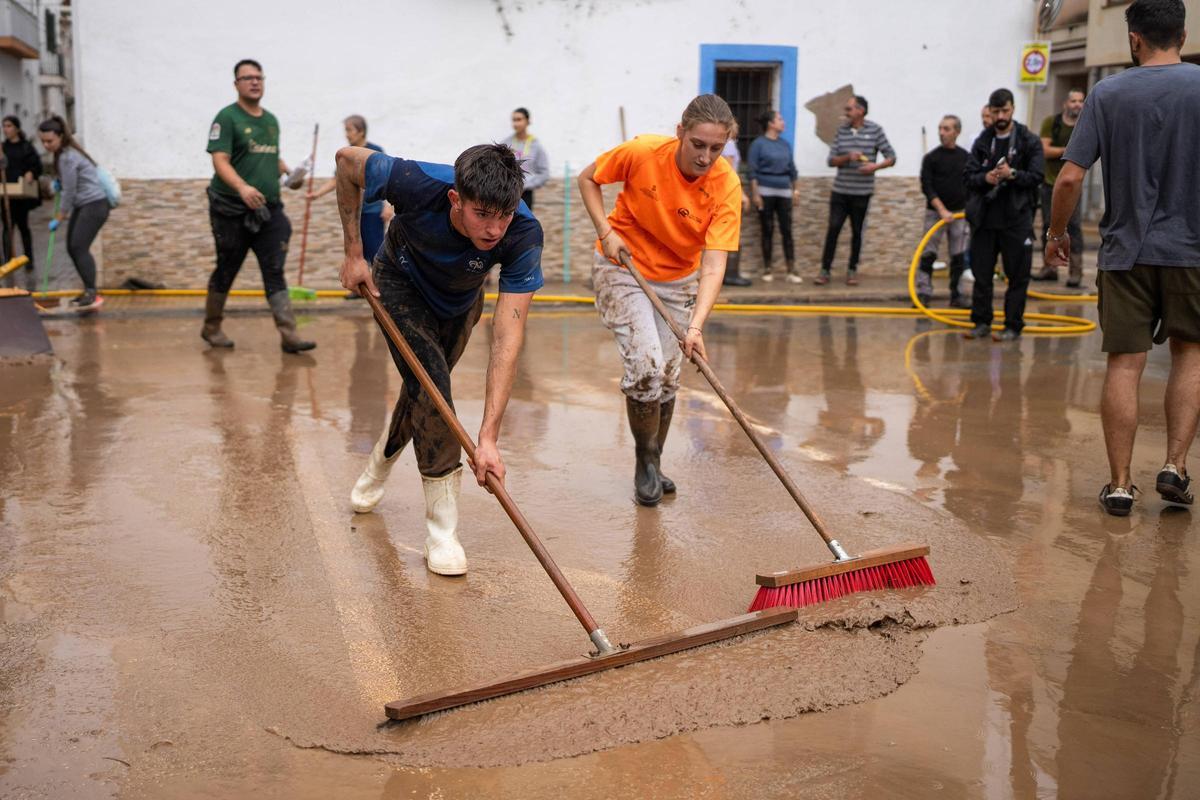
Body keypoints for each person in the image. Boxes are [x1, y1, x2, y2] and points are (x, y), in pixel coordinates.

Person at [336, 143, 543, 575]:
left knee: (423, 392)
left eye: (503, 215)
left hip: (460, 301)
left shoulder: (523, 232)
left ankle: (379, 464)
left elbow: (507, 337)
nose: (493, 229)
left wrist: (489, 437)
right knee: (434, 391)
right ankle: (442, 532)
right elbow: (345, 160)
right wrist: (354, 253)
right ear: (456, 199)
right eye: (482, 214)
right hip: (399, 283)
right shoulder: (415, 182)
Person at [1045, 0, 1199, 516]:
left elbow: (1069, 177)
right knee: (1190, 355)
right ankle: (1175, 466)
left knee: (1125, 364)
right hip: (1192, 251)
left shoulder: (1107, 94)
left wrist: (1056, 233)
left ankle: (1118, 483)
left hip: (1124, 254)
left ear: (1134, 39)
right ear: (1181, 33)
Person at [577, 94, 742, 506]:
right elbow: (588, 178)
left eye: (716, 148)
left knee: (669, 374)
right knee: (647, 366)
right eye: (698, 145)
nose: (706, 157)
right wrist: (605, 230)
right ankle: (643, 460)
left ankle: (655, 459)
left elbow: (714, 264)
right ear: (680, 133)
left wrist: (696, 326)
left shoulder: (726, 186)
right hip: (623, 265)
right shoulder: (643, 152)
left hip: (679, 280)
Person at [202, 58, 314, 353]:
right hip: (230, 210)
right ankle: (211, 327)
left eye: (259, 77)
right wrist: (241, 187)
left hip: (268, 210)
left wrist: (291, 175)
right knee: (227, 267)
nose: (254, 82)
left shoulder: (270, 120)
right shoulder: (227, 118)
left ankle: (289, 335)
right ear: (236, 84)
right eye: (247, 77)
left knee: (274, 269)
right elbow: (219, 159)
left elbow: (271, 157)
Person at [962, 88, 1044, 342]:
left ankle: (1012, 325)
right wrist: (985, 178)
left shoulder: (1028, 140)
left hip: (1016, 219)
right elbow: (968, 176)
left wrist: (1013, 174)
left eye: (1004, 111)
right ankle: (981, 322)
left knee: (1018, 276)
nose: (1000, 116)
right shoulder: (983, 141)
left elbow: (1037, 176)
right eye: (995, 111)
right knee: (982, 274)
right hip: (985, 219)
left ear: (1013, 109)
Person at [818, 95, 895, 286]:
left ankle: (852, 270)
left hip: (862, 193)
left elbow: (891, 157)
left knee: (857, 232)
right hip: (840, 191)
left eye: (849, 109)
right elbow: (831, 161)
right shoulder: (841, 131)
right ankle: (824, 270)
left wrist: (874, 167)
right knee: (833, 229)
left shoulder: (875, 130)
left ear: (860, 111)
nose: (846, 112)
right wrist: (847, 157)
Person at [36, 116, 107, 312]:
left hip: (94, 205)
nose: (46, 145)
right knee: (72, 246)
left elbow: (69, 192)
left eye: (49, 141)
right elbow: (68, 187)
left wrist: (59, 217)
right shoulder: (64, 154)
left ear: (60, 137)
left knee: (78, 246)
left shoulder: (67, 157)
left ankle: (93, 294)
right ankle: (88, 291)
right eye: (43, 141)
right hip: (85, 205)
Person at [308, 115, 392, 265]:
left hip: (372, 211)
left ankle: (378, 288)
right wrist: (316, 194)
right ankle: (360, 288)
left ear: (361, 131)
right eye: (346, 130)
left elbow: (386, 179)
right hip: (354, 213)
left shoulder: (375, 152)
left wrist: (387, 206)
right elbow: (337, 179)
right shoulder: (347, 154)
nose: (346, 134)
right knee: (358, 254)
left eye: (349, 130)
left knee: (375, 254)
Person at [916, 115, 970, 308]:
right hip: (935, 213)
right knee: (928, 254)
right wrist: (942, 210)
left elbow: (971, 184)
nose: (941, 132)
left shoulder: (966, 157)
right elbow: (927, 187)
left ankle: (957, 294)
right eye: (940, 128)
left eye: (946, 129)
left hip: (959, 214)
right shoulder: (931, 158)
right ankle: (923, 292)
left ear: (956, 132)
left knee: (958, 255)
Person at [1035, 89, 1087, 286]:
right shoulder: (1052, 123)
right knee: (1049, 225)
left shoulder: (1084, 125)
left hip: (1074, 185)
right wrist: (1070, 151)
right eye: (1073, 101)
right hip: (1050, 183)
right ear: (1066, 103)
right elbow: (1044, 150)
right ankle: (1049, 267)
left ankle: (1076, 272)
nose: (1077, 105)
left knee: (1074, 227)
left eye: (1081, 101)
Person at [748, 109, 800, 284]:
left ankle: (791, 270)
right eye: (780, 119)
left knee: (787, 231)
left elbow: (792, 170)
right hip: (765, 192)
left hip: (784, 192)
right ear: (770, 123)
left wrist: (796, 190)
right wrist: (756, 194)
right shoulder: (758, 144)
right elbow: (753, 171)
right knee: (767, 230)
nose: (783, 122)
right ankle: (767, 268)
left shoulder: (785, 144)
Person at [2, 116, 43, 290]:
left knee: (23, 226)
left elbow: (36, 165)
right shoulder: (2, 148)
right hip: (5, 194)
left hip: (22, 194)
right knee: (7, 228)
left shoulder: (26, 147)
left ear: (17, 128)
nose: (6, 129)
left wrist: (31, 173)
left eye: (9, 126)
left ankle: (28, 259)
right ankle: (8, 260)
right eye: (4, 126)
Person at [719, 124, 752, 286]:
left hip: (720, 194)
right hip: (729, 194)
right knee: (732, 234)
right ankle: (731, 274)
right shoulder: (730, 144)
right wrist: (743, 195)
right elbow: (730, 171)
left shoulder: (722, 144)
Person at [502, 107, 550, 210]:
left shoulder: (536, 146)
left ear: (527, 121)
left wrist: (527, 185)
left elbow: (544, 173)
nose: (516, 123)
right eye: (514, 120)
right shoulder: (506, 144)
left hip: (526, 194)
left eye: (519, 119)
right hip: (506, 193)